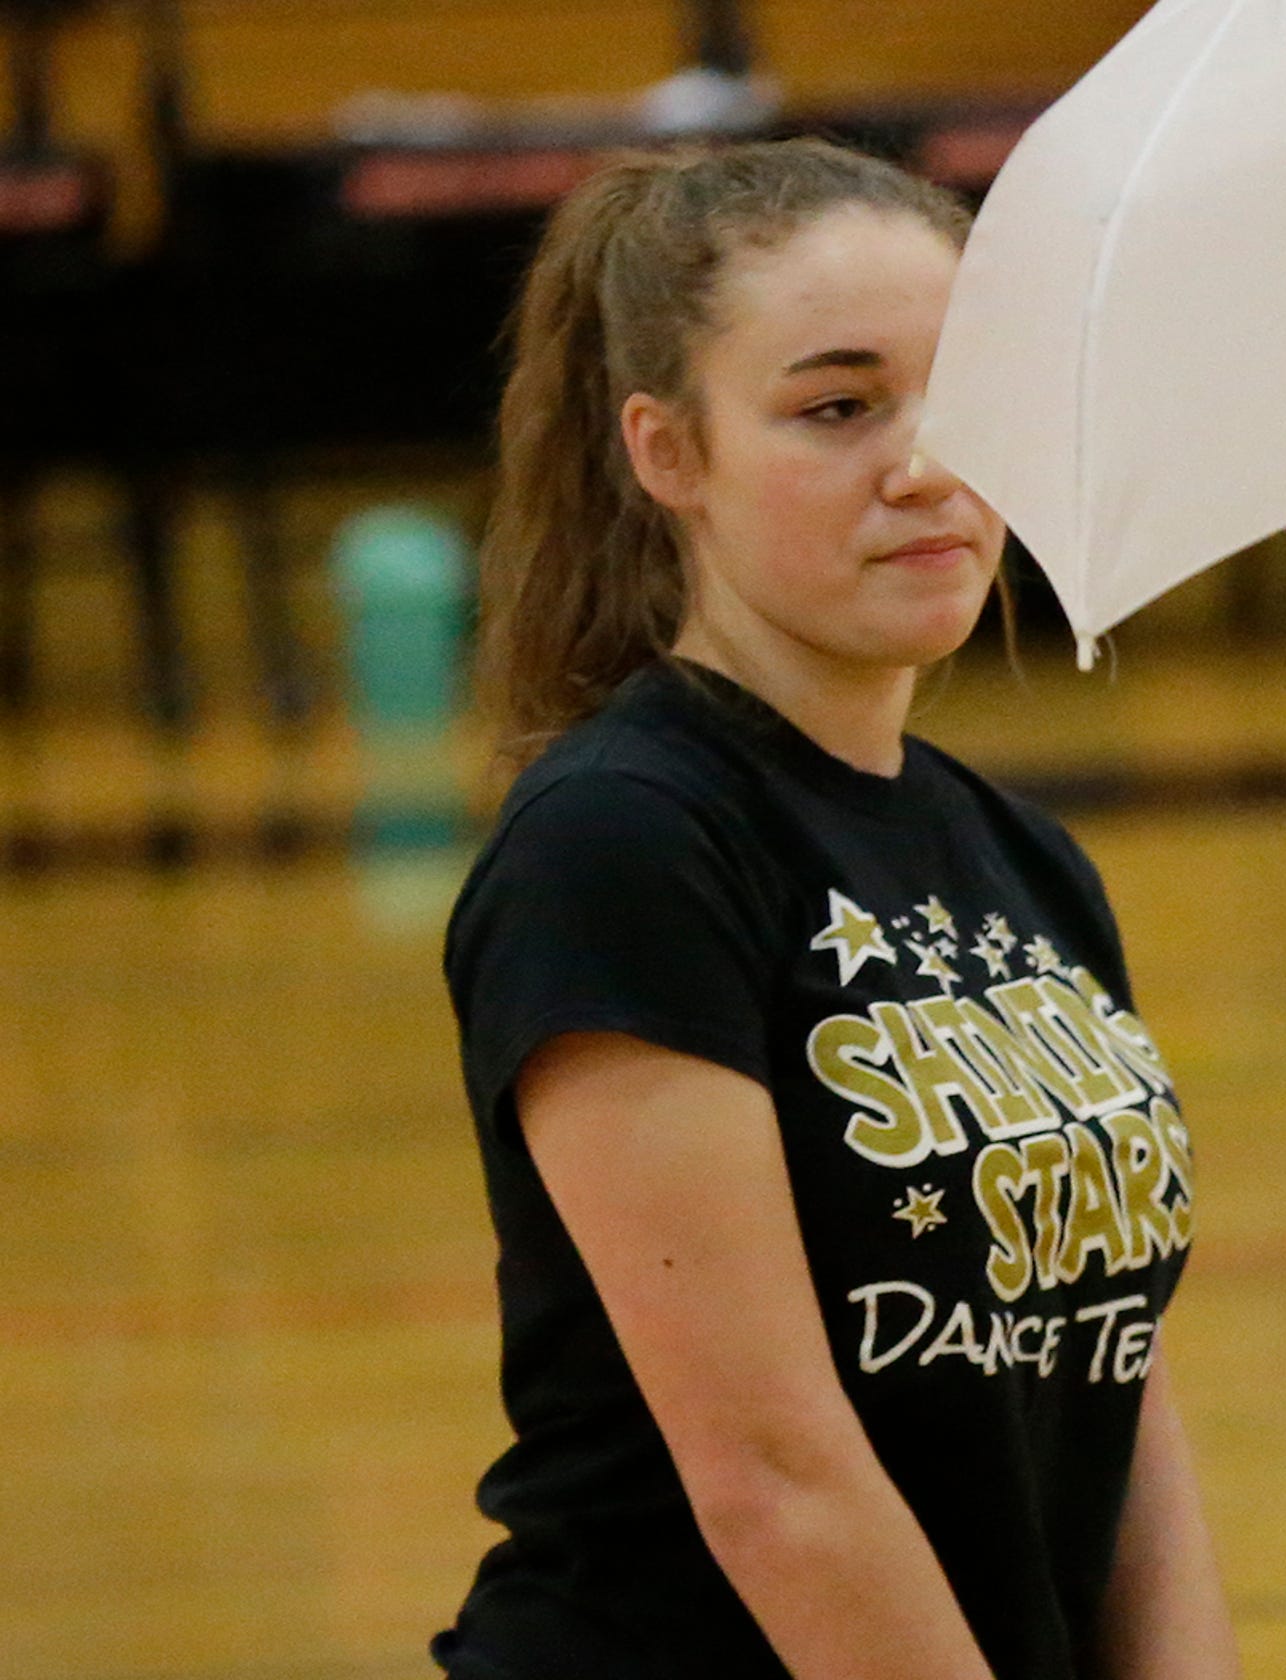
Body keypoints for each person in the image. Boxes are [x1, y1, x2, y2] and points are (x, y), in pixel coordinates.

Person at [433, 139, 1238, 1680]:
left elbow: (1116, 1385)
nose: (929, 464)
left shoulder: (1025, 856)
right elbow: (774, 1482)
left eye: (968, 392)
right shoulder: (621, 846)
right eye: (837, 409)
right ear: (668, 452)